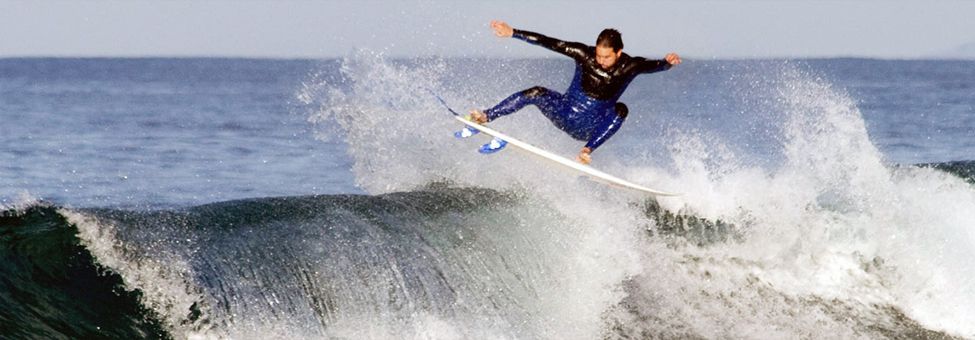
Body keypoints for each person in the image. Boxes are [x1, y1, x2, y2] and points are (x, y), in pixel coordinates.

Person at [468, 20, 681, 164]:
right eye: (598, 55)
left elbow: (654, 66)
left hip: (589, 128)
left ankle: (587, 152)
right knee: (536, 92)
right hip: (563, 112)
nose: (601, 61)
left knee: (621, 109)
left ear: (619, 52)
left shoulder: (630, 66)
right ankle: (486, 116)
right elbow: (550, 42)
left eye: (607, 57)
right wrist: (514, 33)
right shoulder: (583, 54)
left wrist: (667, 64)